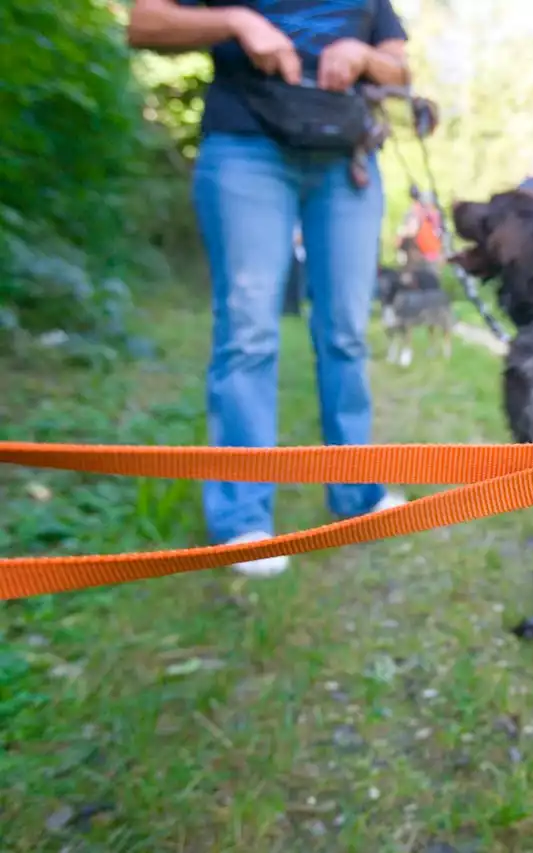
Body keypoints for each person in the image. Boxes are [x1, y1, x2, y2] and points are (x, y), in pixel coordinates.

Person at [127, 0, 412, 577]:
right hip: (247, 149)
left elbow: (400, 69)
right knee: (249, 332)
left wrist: (363, 55)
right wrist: (235, 21)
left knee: (347, 333)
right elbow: (144, 22)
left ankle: (357, 494)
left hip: (344, 159)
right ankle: (242, 522)